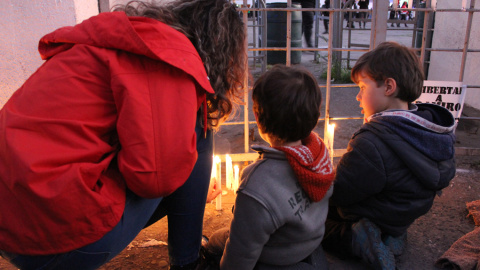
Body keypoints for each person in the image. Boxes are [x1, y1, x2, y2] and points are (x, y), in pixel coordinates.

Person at [0, 0, 247, 269]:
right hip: (54, 241)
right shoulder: (167, 61)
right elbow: (153, 180)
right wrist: (188, 187)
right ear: (221, 50)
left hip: (10, 225)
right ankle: (187, 262)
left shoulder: (105, 45)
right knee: (198, 129)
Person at [321, 41, 456, 270]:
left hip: (378, 210)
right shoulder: (432, 127)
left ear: (389, 87)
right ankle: (392, 235)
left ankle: (357, 240)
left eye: (363, 87)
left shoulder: (372, 141)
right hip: (405, 210)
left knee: (314, 222)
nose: (357, 97)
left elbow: (340, 191)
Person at [201, 65, 335, 270]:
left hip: (276, 257)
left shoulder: (258, 183)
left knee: (216, 242)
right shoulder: (319, 156)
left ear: (258, 117)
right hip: (307, 242)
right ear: (315, 115)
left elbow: (240, 256)